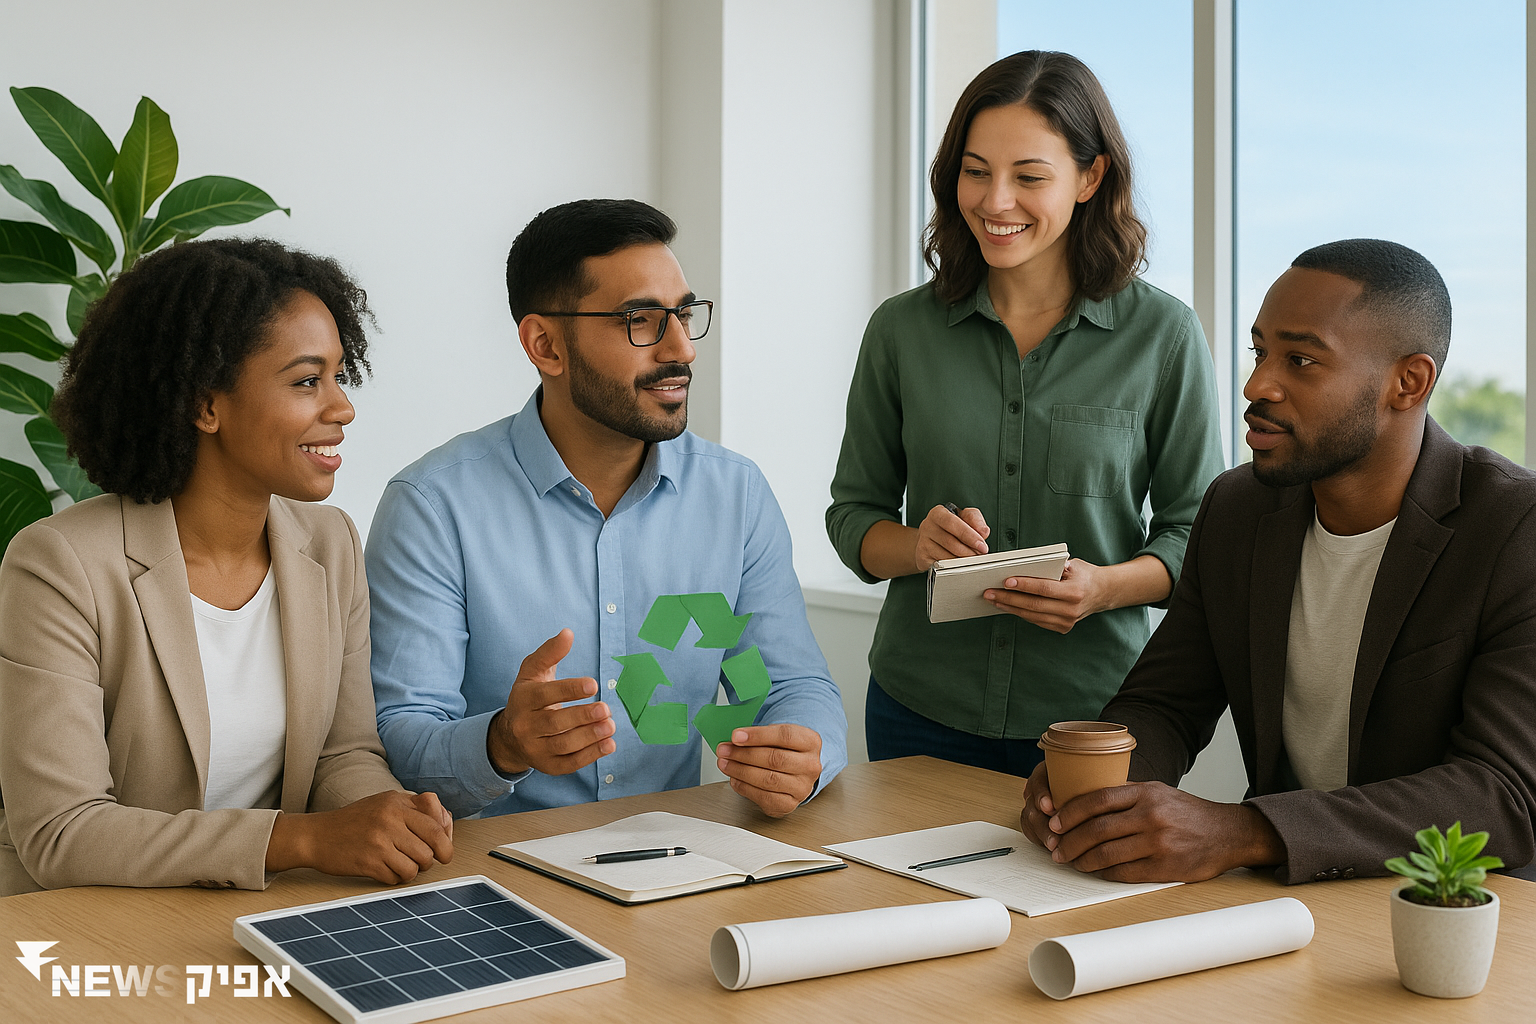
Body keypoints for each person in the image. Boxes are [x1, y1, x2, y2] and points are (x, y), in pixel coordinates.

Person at [1019, 239, 1536, 884]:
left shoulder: (1514, 526)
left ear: (1408, 383)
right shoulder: (1238, 507)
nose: (1257, 385)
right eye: (1260, 352)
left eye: (1301, 360)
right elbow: (1166, 702)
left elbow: (1501, 792)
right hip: (1285, 903)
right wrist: (1095, 789)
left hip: (1459, 906)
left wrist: (1246, 831)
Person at [367, 198, 847, 820]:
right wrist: (503, 743)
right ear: (546, 345)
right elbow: (404, 736)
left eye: (683, 314)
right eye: (639, 320)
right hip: (497, 860)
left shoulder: (736, 494)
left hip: (681, 850)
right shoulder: (434, 507)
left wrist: (804, 754)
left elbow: (791, 685)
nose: (682, 349)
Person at [0, 239, 454, 895]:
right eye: (307, 381)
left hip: (255, 912)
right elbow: (63, 832)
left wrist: (388, 820)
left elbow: (342, 754)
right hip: (86, 924)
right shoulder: (60, 565)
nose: (342, 408)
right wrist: (303, 840)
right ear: (205, 405)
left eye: (339, 376)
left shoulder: (329, 544)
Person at [826, 51, 1224, 774]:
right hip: (920, 706)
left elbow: (1197, 534)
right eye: (975, 171)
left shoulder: (1163, 336)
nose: (995, 201)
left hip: (1092, 715)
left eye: (1029, 177)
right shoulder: (901, 331)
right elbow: (853, 515)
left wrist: (1104, 588)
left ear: (1090, 178)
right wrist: (917, 548)